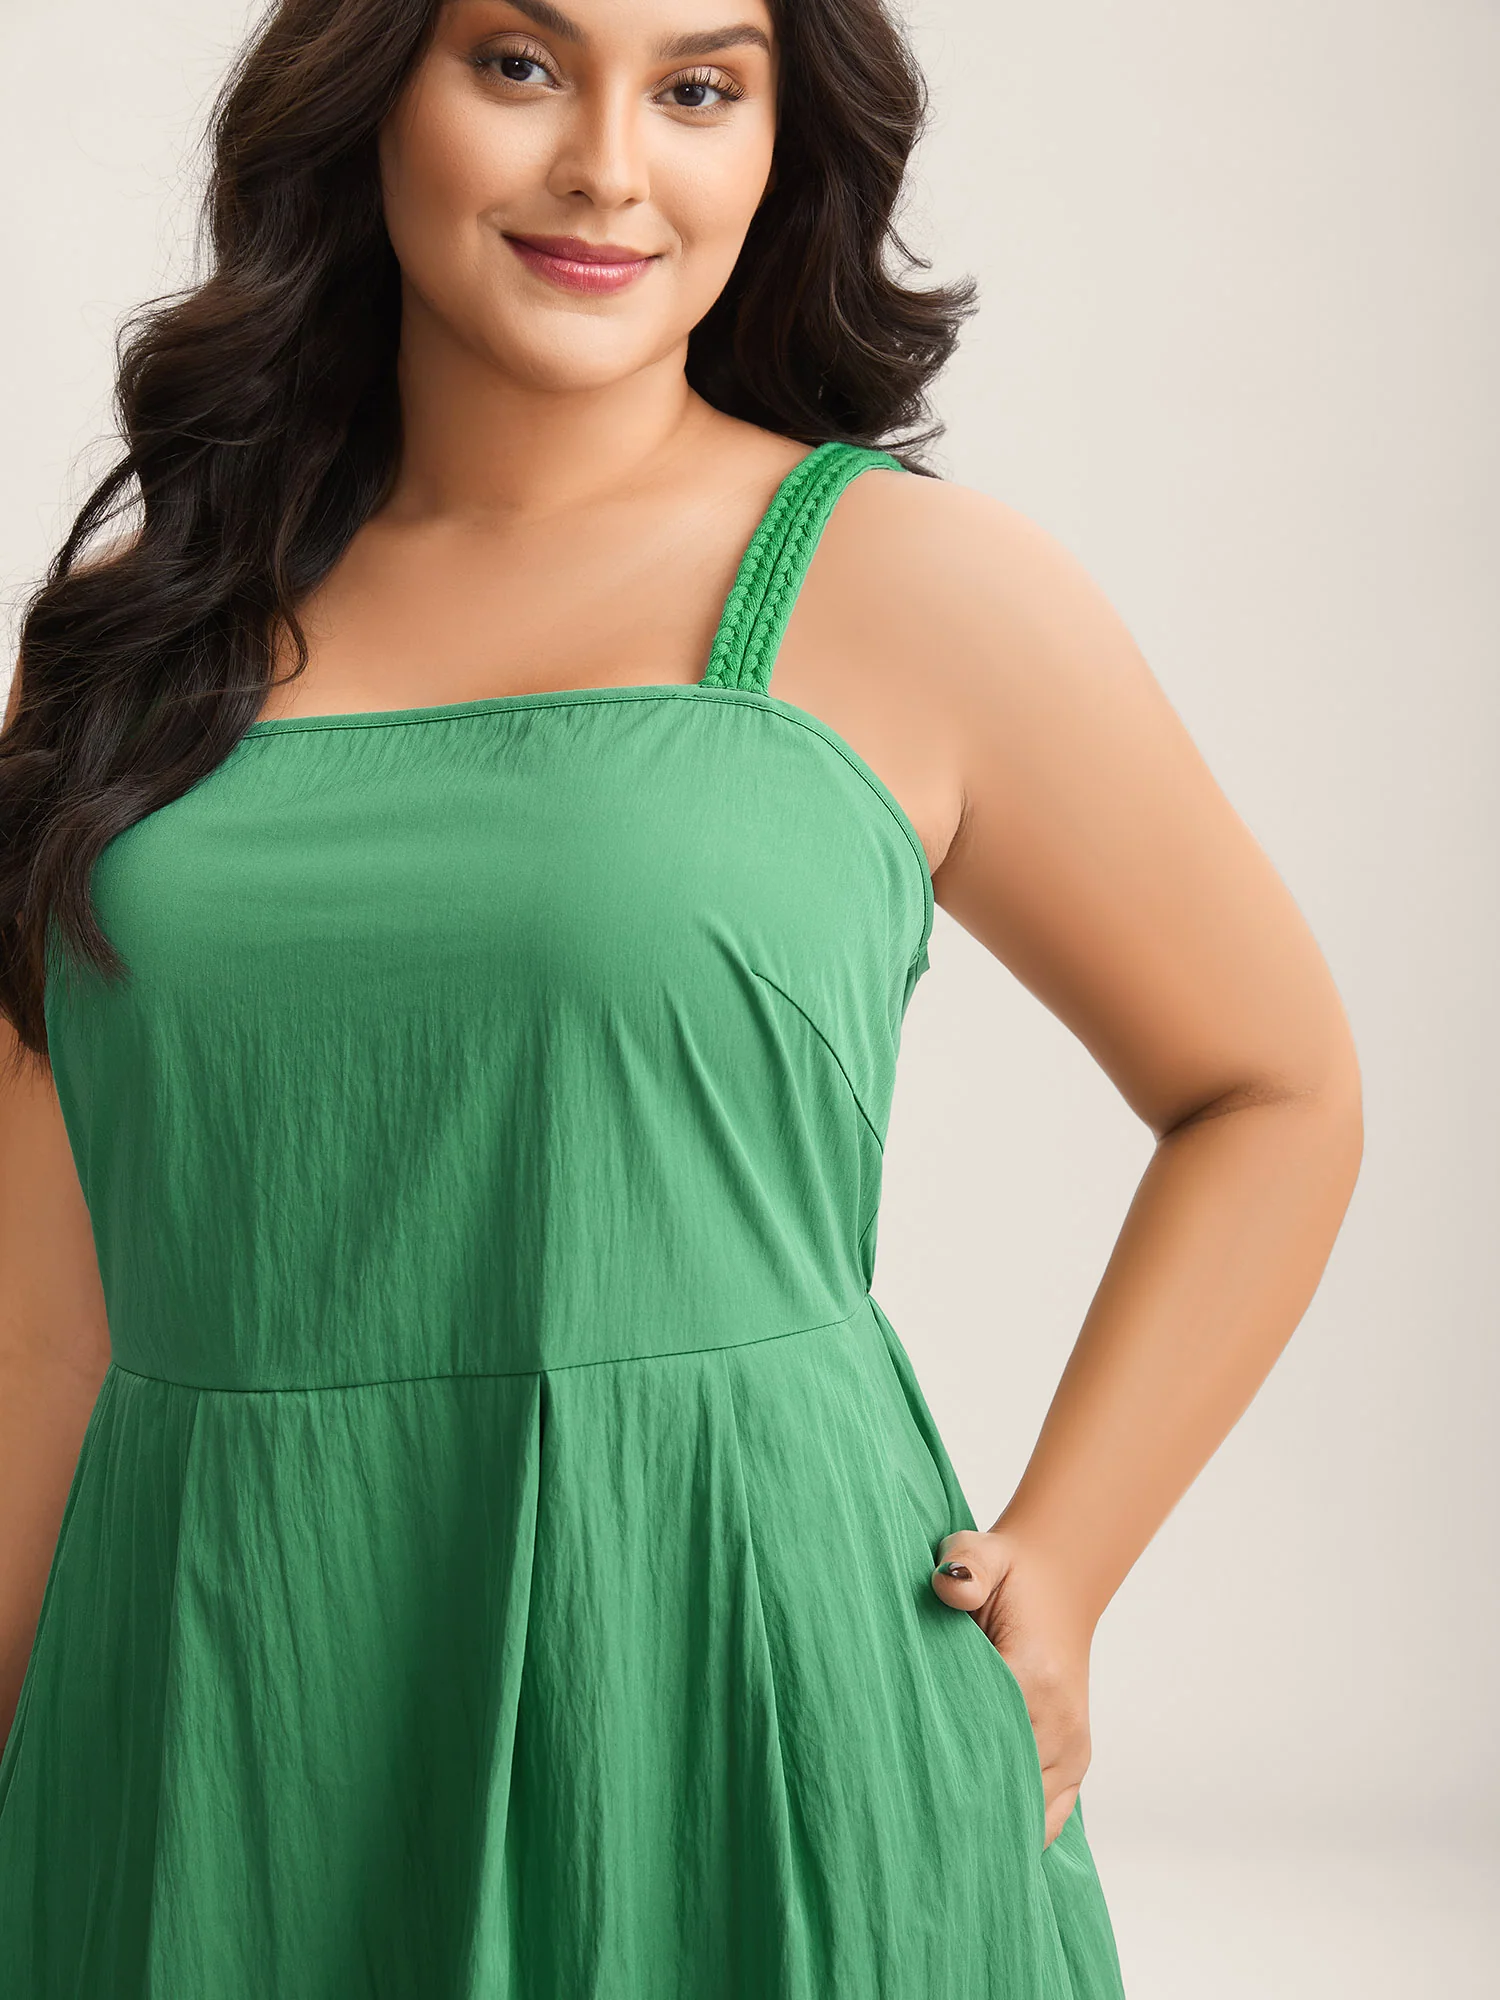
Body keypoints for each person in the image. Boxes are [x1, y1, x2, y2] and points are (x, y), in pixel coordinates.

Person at [0, 0, 1364, 1993]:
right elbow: (43, 1324)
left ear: (779, 145)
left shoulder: (915, 588)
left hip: (733, 1693)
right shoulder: (131, 644)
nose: (608, 168)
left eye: (700, 88)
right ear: (368, 87)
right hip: (222, 1696)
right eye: (520, 64)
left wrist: (1067, 1564)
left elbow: (1273, 1083)